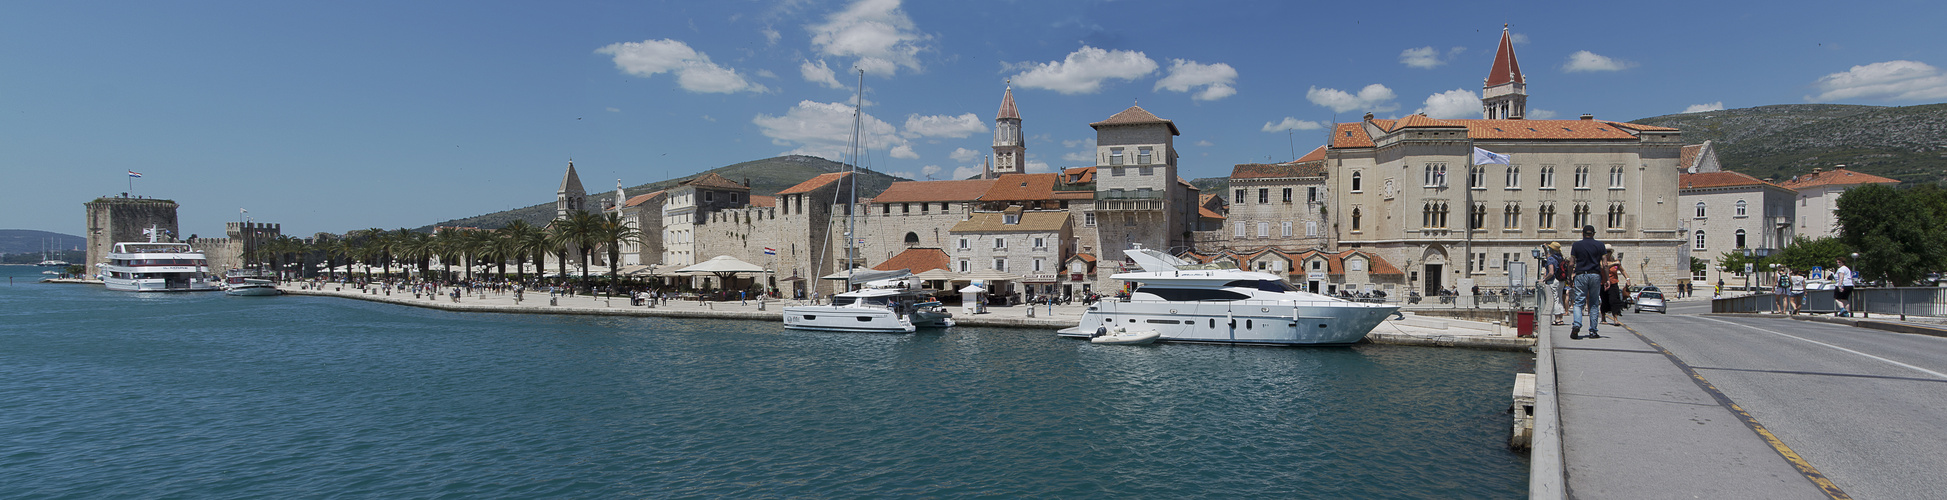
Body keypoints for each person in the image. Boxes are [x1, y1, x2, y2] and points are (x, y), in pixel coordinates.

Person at [1569, 225, 1605, 340]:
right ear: (1593, 233)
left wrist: (1570, 277)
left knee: (1579, 302)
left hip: (1580, 274)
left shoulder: (1576, 245)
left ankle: (1576, 325)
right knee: (1594, 303)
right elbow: (1604, 264)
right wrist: (1607, 279)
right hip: (1595, 274)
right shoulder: (1600, 245)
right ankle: (1593, 331)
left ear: (1582, 233)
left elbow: (1571, 263)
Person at [1601, 247, 1630, 327]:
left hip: (1613, 283)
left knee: (1614, 301)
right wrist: (1614, 263)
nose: (1608, 253)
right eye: (1606, 252)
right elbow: (1603, 266)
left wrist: (1627, 279)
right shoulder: (1601, 261)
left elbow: (1622, 270)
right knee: (1604, 300)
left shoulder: (1615, 261)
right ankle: (1603, 317)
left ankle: (1615, 319)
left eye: (1609, 252)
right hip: (1603, 283)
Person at [1543, 242, 1567, 326]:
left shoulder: (1551, 259)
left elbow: (1551, 272)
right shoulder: (1560, 257)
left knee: (1555, 300)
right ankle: (1561, 318)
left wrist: (1544, 279)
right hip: (1561, 281)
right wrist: (1545, 249)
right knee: (1560, 299)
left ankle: (1557, 319)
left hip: (1554, 281)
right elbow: (1548, 256)